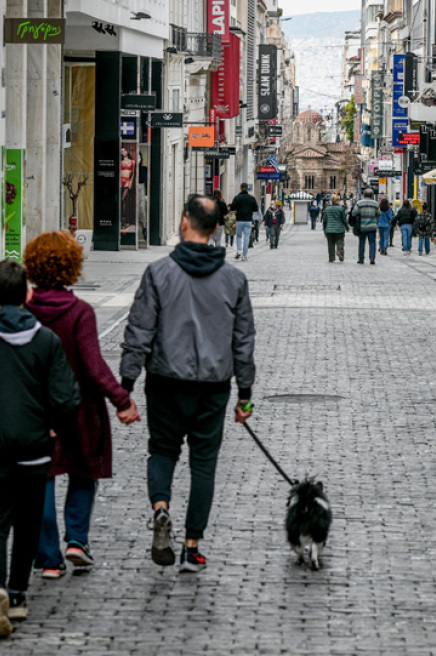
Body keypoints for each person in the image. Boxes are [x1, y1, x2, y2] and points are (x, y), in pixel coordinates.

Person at [120, 194, 256, 573]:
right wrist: (245, 395)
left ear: (183, 223)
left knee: (163, 452)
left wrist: (125, 388)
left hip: (165, 380)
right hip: (212, 386)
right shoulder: (234, 279)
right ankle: (192, 546)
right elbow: (243, 342)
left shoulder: (159, 273)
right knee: (203, 464)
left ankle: (161, 507)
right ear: (216, 230)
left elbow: (139, 331)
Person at [0, 260, 81, 639]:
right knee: (26, 525)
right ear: (28, 295)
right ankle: (19, 593)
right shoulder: (46, 341)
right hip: (34, 450)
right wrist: (56, 428)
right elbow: (66, 397)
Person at [24, 232, 141, 580]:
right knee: (83, 469)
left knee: (41, 476)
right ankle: (76, 540)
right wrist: (122, 400)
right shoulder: (79, 312)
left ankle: (47, 557)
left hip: (36, 410)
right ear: (72, 267)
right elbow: (93, 365)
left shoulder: (25, 312)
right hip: (79, 407)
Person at [228, 183, 258, 261]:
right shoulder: (252, 198)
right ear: (247, 188)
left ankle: (238, 250)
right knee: (246, 238)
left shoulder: (237, 197)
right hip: (248, 220)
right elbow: (256, 209)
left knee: (239, 236)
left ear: (240, 188)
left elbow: (232, 208)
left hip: (239, 220)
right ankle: (244, 256)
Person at [351, 188, 381, 265]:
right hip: (372, 226)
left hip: (362, 226)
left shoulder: (359, 203)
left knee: (361, 243)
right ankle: (372, 258)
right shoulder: (376, 204)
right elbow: (378, 214)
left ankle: (361, 259)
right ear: (372, 195)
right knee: (372, 243)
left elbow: (354, 213)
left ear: (364, 195)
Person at [322, 194, 348, 263]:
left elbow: (324, 220)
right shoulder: (341, 209)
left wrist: (324, 229)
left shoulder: (327, 209)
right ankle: (340, 254)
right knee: (340, 243)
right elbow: (344, 220)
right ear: (337, 201)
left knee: (330, 244)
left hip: (329, 230)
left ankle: (331, 258)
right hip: (339, 230)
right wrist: (347, 227)